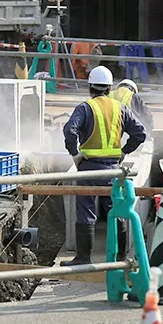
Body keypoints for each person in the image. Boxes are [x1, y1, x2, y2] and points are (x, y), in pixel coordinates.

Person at [61, 66, 147, 265]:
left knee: (86, 212)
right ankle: (121, 258)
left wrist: (74, 154)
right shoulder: (120, 108)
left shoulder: (85, 107)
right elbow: (140, 133)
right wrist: (124, 151)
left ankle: (83, 258)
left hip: (88, 169)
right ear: (109, 88)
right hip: (113, 171)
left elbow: (69, 131)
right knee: (117, 210)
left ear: (91, 86)